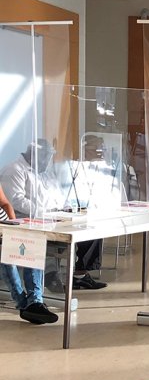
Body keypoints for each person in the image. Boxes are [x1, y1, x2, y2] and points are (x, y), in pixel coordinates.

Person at [0, 139, 107, 291]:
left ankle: (80, 275)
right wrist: (43, 212)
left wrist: (66, 207)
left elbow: (56, 192)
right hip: (31, 219)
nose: (48, 161)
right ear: (35, 154)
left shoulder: (44, 171)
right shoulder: (14, 170)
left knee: (92, 231)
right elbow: (15, 201)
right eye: (46, 157)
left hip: (55, 216)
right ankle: (50, 278)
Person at [0, 183, 57, 324]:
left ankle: (35, 301)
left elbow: (5, 204)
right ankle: (24, 304)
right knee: (6, 254)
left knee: (31, 245)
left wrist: (13, 225)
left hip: (4, 227)